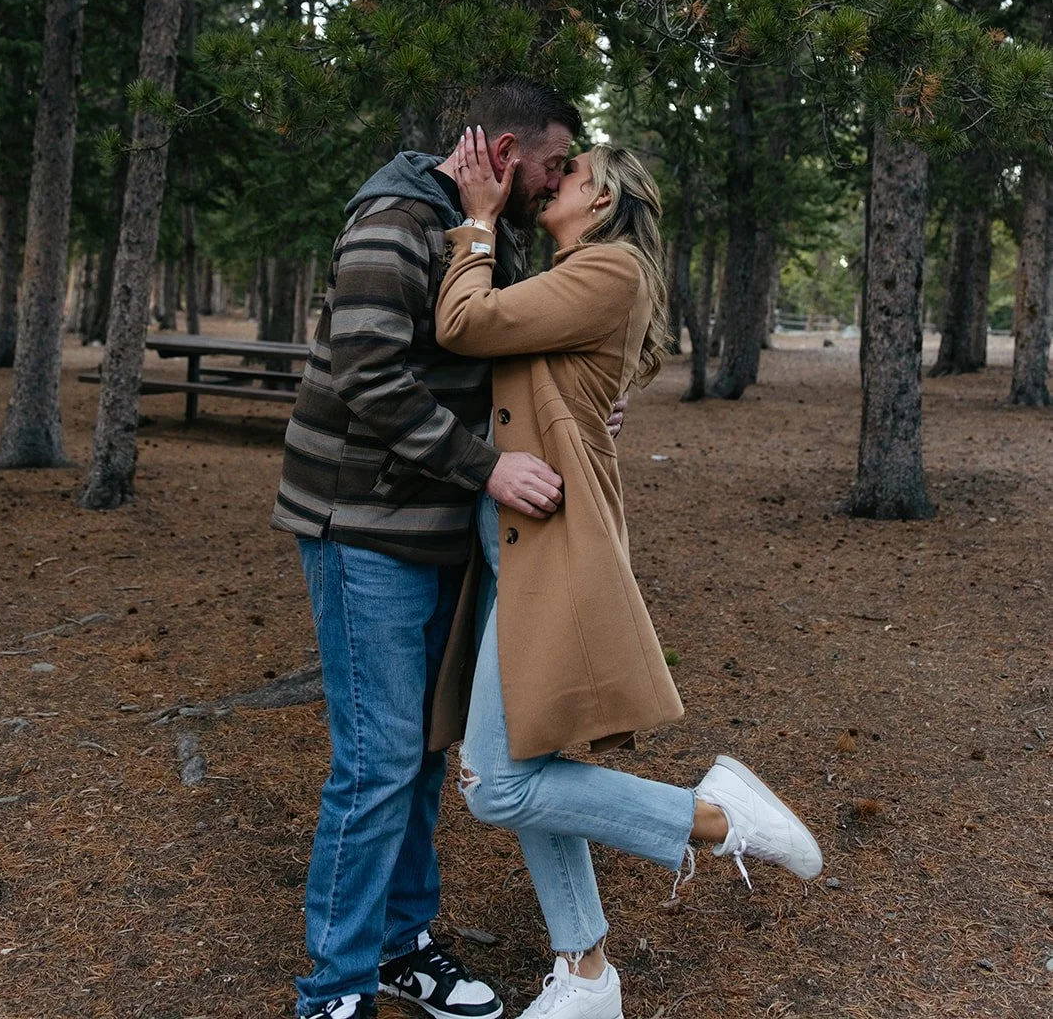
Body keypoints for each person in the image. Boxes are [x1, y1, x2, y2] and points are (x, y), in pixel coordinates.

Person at [431, 129, 823, 1019]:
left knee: (497, 786)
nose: (551, 179)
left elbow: (464, 324)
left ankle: (718, 820)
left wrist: (476, 223)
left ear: (600, 200)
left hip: (556, 546)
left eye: (568, 172)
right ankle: (586, 974)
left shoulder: (608, 272)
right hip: (515, 541)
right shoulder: (575, 278)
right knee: (527, 767)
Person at [271, 79, 587, 1019]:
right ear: (500, 150)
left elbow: (485, 344)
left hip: (432, 523)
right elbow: (370, 374)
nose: (558, 179)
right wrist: (486, 468)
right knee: (374, 761)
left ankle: (403, 942)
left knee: (417, 753)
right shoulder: (395, 220)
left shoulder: (477, 230)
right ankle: (332, 989)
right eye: (553, 163)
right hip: (361, 525)